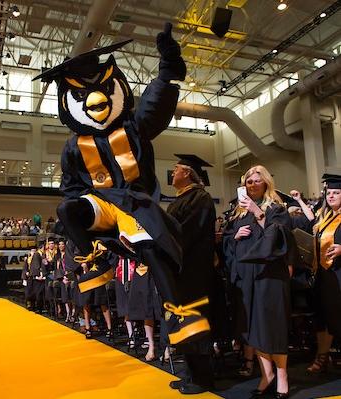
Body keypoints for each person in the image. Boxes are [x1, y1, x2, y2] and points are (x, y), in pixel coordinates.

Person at [36, 23, 209, 347]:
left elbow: (156, 100)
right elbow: (71, 187)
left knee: (149, 248)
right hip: (101, 205)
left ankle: (178, 311)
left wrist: (169, 61)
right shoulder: (74, 147)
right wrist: (88, 230)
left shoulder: (132, 127)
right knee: (66, 208)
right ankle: (94, 262)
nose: (96, 99)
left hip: (135, 203)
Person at [223, 165, 297, 399]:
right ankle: (267, 376)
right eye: (248, 181)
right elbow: (227, 242)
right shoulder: (238, 213)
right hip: (246, 275)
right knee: (254, 327)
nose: (251, 184)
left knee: (271, 326)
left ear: (266, 183)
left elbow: (282, 239)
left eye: (256, 181)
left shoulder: (276, 210)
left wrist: (258, 213)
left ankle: (282, 375)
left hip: (270, 275)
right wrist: (234, 236)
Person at [166, 154, 216, 394]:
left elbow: (185, 233)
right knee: (182, 321)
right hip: (181, 271)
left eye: (175, 169)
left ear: (187, 173)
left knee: (195, 321)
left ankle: (203, 379)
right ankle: (188, 373)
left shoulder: (200, 198)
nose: (172, 172)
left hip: (195, 272)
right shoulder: (179, 199)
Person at [306, 174, 341, 373]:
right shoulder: (325, 217)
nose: (331, 196)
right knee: (322, 316)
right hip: (323, 274)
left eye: (336, 192)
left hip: (339, 274)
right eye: (329, 193)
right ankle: (322, 356)